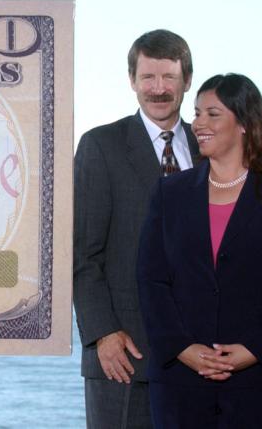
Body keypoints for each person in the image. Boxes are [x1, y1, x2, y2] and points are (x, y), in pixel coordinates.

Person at [136, 73, 262, 429]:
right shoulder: (170, 193)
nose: (199, 123)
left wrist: (255, 350)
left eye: (212, 114)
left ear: (245, 122)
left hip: (261, 382)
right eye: (198, 113)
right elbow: (151, 280)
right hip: (180, 382)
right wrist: (183, 348)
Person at [74, 29, 198, 428]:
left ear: (187, 82)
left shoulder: (209, 146)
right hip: (124, 357)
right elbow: (82, 253)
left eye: (169, 78)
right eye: (148, 77)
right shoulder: (101, 146)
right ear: (132, 81)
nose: (158, 89)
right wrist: (103, 333)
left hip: (201, 359)